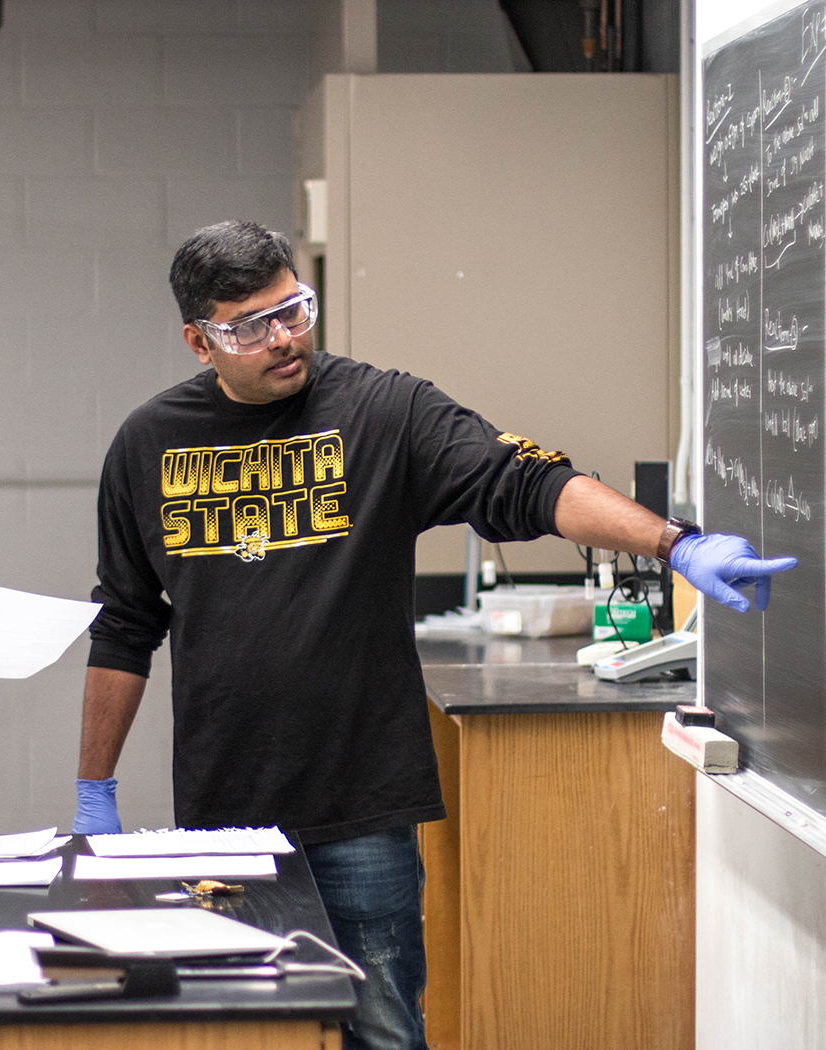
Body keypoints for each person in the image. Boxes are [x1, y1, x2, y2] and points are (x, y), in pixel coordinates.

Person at [70, 220, 798, 1050]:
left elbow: (527, 482)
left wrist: (676, 543)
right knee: (246, 1033)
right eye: (251, 327)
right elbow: (124, 624)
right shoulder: (149, 443)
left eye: (295, 311)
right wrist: (96, 792)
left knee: (384, 1030)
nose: (284, 339)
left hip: (364, 803)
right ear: (200, 342)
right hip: (223, 809)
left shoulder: (385, 411)